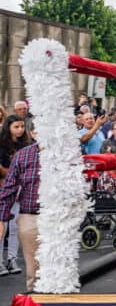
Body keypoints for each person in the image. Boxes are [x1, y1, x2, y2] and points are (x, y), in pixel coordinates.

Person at [0, 141, 40, 291]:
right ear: (35, 133)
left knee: (62, 270)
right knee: (34, 272)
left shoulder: (67, 152)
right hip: (31, 217)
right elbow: (9, 188)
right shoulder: (23, 155)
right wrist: (2, 219)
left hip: (61, 220)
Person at [0, 115, 33, 277]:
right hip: (4, 190)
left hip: (20, 191)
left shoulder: (26, 145)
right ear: (9, 128)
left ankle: (11, 259)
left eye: (21, 127)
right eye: (16, 127)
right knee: (2, 226)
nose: (20, 130)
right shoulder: (2, 146)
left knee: (14, 227)